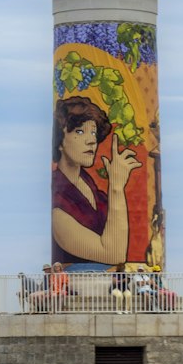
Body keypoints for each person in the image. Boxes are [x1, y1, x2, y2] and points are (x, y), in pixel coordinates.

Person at [51, 96, 142, 267]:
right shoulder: (59, 205)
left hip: (113, 287)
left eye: (93, 132)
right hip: (78, 288)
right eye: (80, 131)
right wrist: (116, 186)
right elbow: (114, 254)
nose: (92, 140)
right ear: (59, 141)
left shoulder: (88, 185)